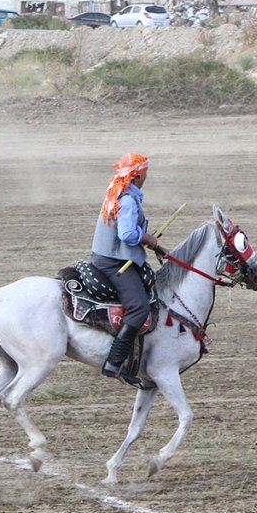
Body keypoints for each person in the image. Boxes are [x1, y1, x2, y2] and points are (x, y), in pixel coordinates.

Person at [91, 153, 167, 386]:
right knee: (139, 307)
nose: (146, 177)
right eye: (145, 173)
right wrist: (148, 239)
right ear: (139, 175)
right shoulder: (128, 201)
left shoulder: (117, 192)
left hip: (107, 256)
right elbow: (126, 234)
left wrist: (155, 245)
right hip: (114, 262)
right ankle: (114, 364)